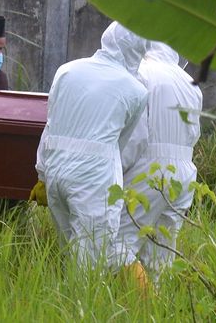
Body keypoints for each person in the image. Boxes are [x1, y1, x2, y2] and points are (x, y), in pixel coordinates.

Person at [35, 22, 147, 270]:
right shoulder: (136, 90)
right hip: (94, 182)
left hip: (56, 173)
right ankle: (78, 308)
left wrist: (42, 172)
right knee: (89, 266)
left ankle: (59, 305)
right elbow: (121, 143)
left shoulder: (66, 70)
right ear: (139, 50)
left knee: (69, 252)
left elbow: (51, 124)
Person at [117, 41, 203, 280]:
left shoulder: (140, 74)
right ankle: (155, 310)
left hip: (148, 169)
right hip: (184, 174)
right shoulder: (190, 83)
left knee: (118, 245)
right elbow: (194, 135)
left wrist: (115, 171)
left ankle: (140, 304)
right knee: (160, 254)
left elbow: (135, 136)